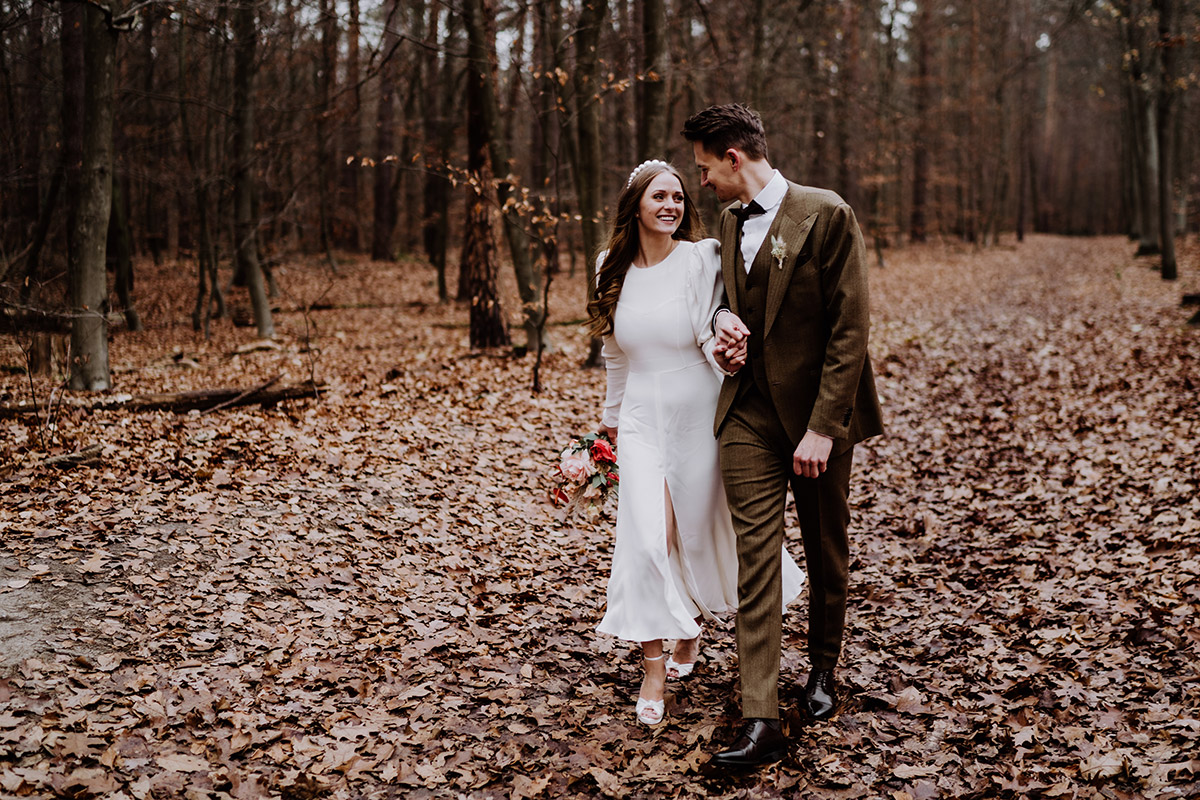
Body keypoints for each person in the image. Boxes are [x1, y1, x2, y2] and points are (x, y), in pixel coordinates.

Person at [680, 104, 884, 766]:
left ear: (734, 158)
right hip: (749, 415)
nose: (702, 181)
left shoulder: (826, 214)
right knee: (756, 558)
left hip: (819, 418)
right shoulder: (727, 220)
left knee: (826, 549)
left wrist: (824, 428)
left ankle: (822, 670)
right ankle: (762, 717)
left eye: (706, 167)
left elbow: (850, 329)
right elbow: (732, 307)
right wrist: (726, 335)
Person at [589, 159, 803, 727]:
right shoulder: (607, 268)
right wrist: (608, 425)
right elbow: (614, 354)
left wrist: (728, 348)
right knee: (645, 537)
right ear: (635, 203)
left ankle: (690, 629)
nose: (671, 206)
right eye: (658, 196)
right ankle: (654, 665)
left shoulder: (700, 258)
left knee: (699, 532)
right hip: (639, 420)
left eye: (679, 198)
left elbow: (713, 329)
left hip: (700, 413)